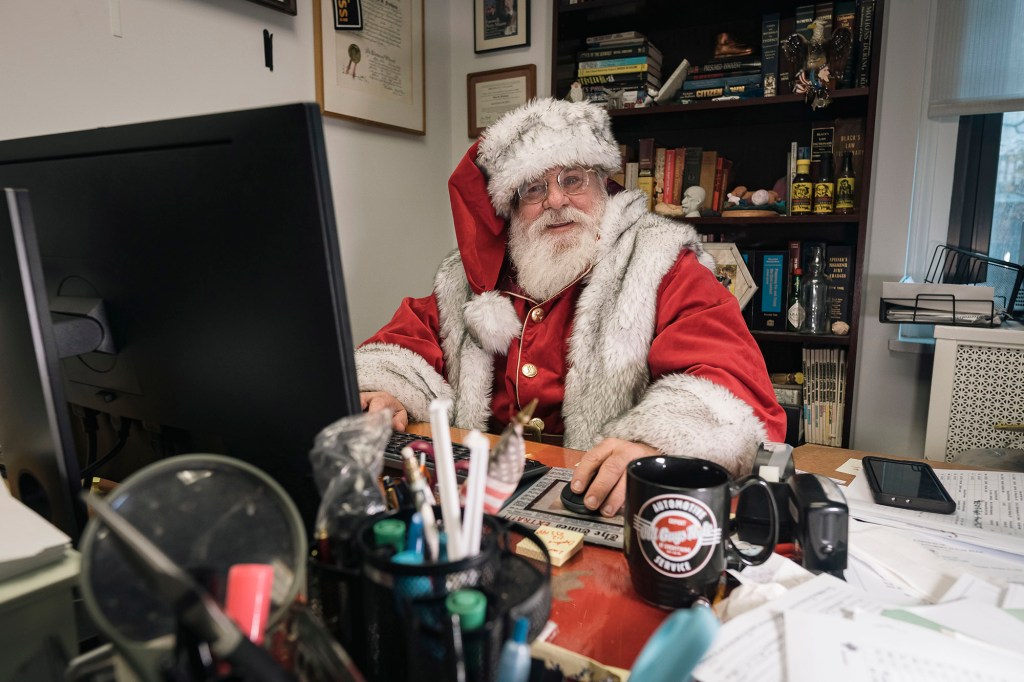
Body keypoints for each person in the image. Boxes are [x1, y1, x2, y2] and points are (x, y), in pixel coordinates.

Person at [357, 98, 786, 517]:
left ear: (601, 181)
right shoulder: (472, 277)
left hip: (602, 506)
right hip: (476, 506)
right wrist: (387, 389)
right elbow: (409, 341)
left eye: (572, 179)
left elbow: (726, 380)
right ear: (510, 207)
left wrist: (658, 445)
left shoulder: (661, 261)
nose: (556, 201)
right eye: (534, 188)